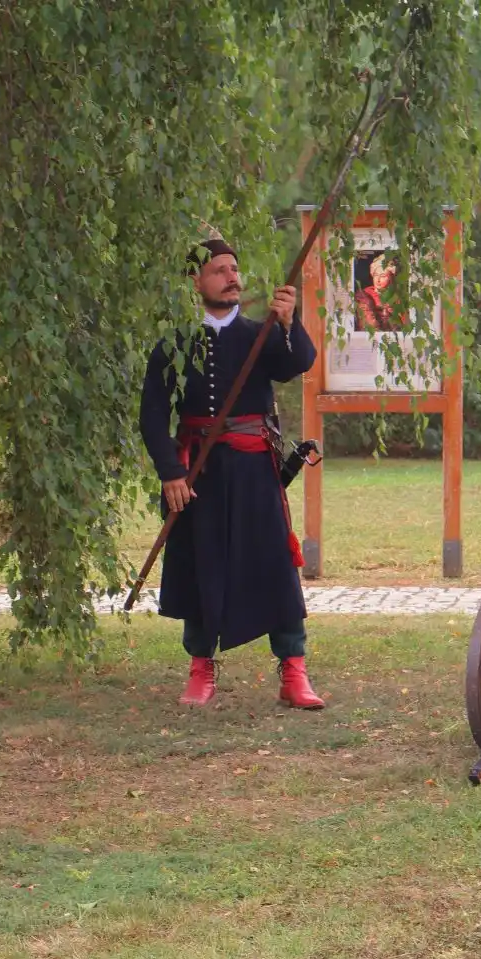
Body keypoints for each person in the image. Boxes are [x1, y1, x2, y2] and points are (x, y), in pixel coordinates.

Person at [139, 237, 324, 710]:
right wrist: (170, 473)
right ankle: (201, 670)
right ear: (196, 282)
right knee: (201, 565)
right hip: (197, 475)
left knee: (276, 566)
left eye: (234, 269)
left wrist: (289, 322)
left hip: (254, 472)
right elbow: (153, 416)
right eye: (219, 270)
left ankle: (294, 672)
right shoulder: (174, 346)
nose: (232, 277)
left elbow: (298, 362)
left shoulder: (262, 335)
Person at [355, 252, 401, 331]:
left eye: (383, 276)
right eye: (376, 275)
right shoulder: (364, 295)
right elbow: (367, 324)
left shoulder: (396, 297)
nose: (378, 280)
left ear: (391, 278)